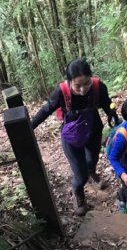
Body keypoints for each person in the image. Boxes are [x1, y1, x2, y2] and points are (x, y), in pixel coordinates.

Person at [31, 59, 118, 215]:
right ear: (69, 81)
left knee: (92, 160)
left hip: (93, 129)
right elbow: (46, 110)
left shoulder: (99, 87)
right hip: (71, 135)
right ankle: (78, 192)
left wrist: (114, 118)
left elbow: (106, 104)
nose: (83, 89)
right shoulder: (60, 92)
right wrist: (30, 128)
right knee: (80, 174)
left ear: (91, 78)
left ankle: (92, 173)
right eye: (78, 86)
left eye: (87, 83)